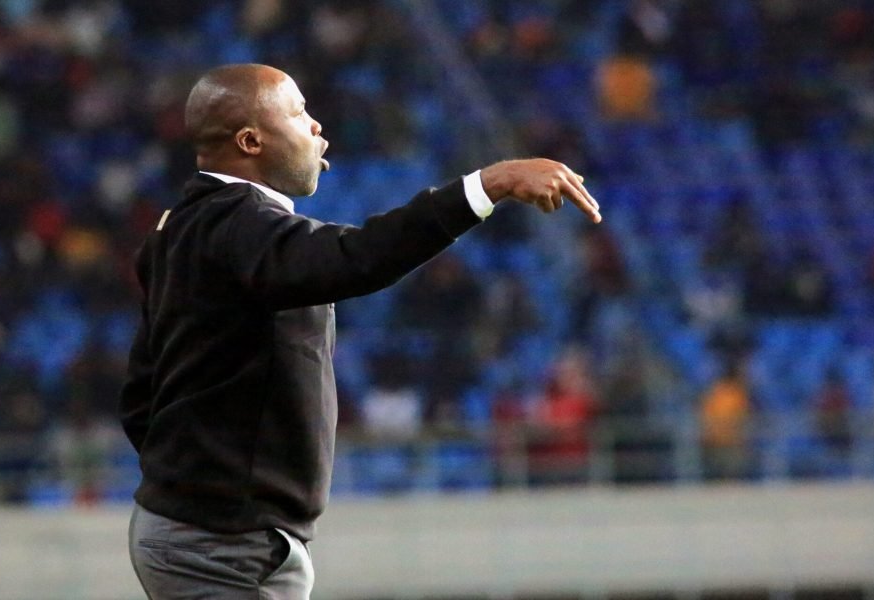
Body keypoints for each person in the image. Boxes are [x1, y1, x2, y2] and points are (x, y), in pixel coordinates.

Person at [119, 63, 600, 599]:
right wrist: (489, 184)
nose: (317, 126)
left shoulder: (185, 229)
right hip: (219, 542)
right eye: (299, 113)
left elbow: (143, 390)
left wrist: (194, 481)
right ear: (251, 140)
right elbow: (356, 258)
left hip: (220, 532)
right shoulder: (237, 225)